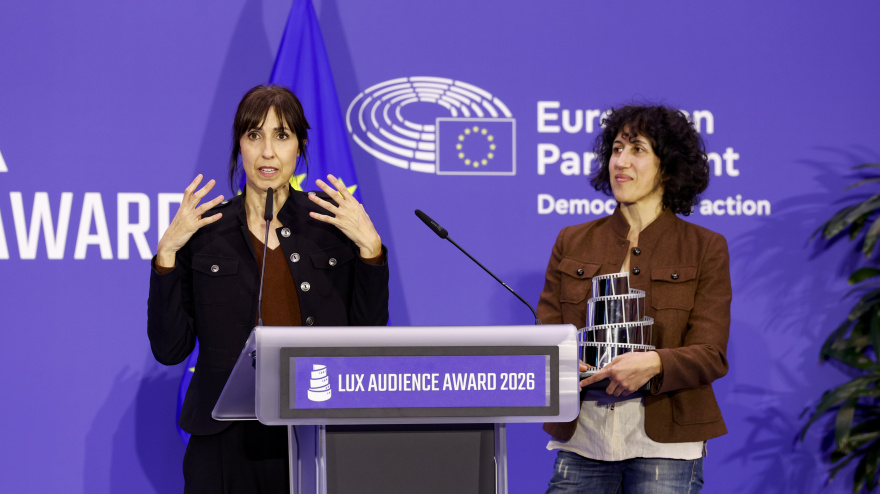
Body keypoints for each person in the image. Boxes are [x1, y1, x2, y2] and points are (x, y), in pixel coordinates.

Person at [147, 85, 389, 493]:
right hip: (222, 441)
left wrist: (370, 251)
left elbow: (367, 335)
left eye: (282, 136)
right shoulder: (205, 234)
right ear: (239, 144)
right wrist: (167, 254)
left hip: (313, 432)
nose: (267, 153)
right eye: (254, 135)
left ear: (300, 146)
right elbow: (169, 350)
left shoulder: (330, 228)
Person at [538, 105, 731, 493]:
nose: (620, 161)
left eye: (637, 149)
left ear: (669, 166)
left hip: (666, 444)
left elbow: (711, 353)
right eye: (616, 149)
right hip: (583, 440)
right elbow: (546, 334)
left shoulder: (705, 247)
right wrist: (560, 361)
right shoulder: (571, 239)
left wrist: (655, 362)